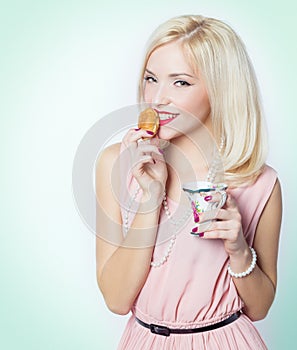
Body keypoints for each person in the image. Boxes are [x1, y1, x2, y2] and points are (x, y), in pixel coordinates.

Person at [95, 14, 282, 349]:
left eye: (180, 82)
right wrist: (150, 200)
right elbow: (116, 299)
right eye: (151, 79)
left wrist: (239, 249)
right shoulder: (115, 163)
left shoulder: (258, 183)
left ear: (221, 90)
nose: (157, 98)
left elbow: (261, 307)